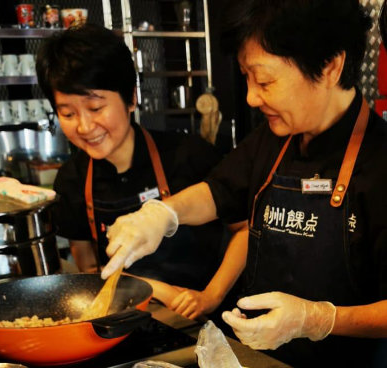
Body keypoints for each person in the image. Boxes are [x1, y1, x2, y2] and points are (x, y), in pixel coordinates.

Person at [101, 0, 387, 367]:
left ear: (330, 65)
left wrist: (317, 319)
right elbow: (219, 191)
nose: (252, 97)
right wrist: (163, 214)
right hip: (255, 358)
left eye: (265, 80)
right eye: (247, 78)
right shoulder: (275, 137)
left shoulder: (379, 163)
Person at [35, 24, 228, 303]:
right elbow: (89, 268)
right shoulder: (72, 179)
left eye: (96, 108)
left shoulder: (189, 154)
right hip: (128, 316)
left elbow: (243, 228)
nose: (85, 126)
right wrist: (156, 290)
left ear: (131, 97)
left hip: (208, 314)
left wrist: (212, 295)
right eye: (68, 113)